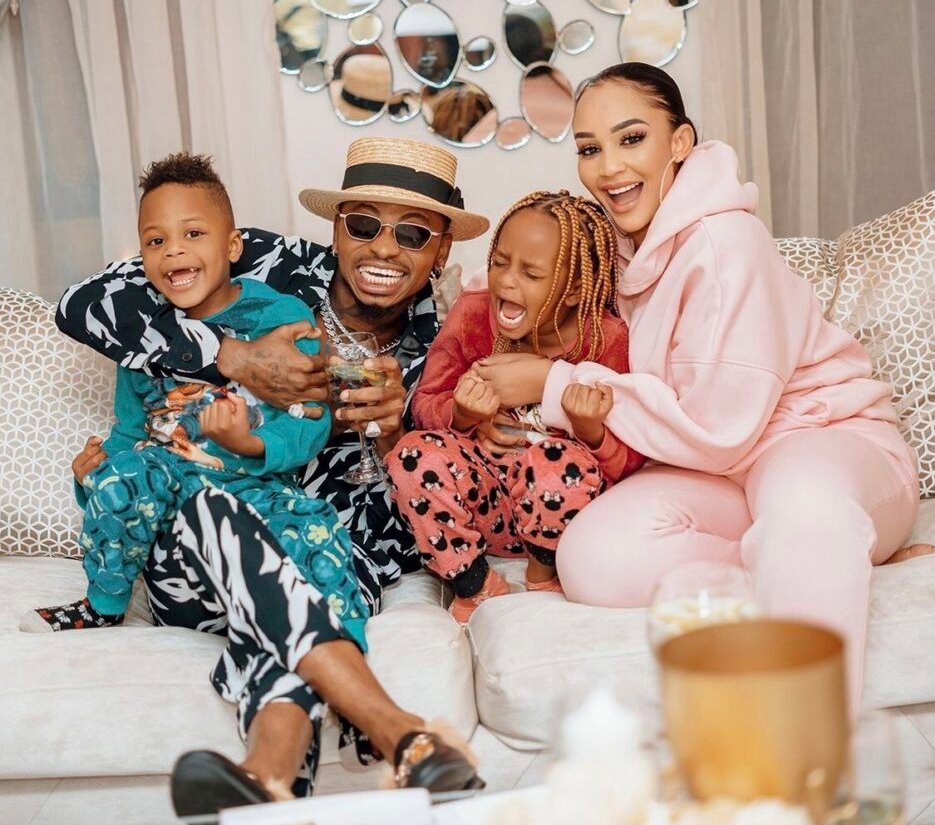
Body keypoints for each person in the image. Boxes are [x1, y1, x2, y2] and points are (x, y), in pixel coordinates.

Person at [53, 137, 490, 814]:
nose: (382, 248)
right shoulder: (269, 267)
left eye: (411, 233)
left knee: (295, 592)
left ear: (441, 250)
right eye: (363, 224)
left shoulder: (450, 342)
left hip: (329, 551)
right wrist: (230, 355)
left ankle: (265, 777)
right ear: (336, 227)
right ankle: (399, 732)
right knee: (212, 506)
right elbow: (82, 304)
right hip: (195, 551)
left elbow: (451, 499)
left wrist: (394, 435)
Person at [470, 63, 919, 701]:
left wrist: (553, 382)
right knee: (592, 556)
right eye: (590, 149)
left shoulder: (725, 242)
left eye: (631, 139)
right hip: (719, 472)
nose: (609, 168)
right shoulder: (618, 246)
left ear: (679, 142)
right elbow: (535, 286)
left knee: (803, 508)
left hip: (819, 438)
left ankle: (808, 730)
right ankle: (820, 560)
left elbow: (719, 428)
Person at [21, 154, 366, 644]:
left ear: (232, 245)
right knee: (124, 476)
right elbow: (130, 432)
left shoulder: (280, 316)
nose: (174, 250)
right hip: (170, 493)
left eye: (194, 233)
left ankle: (340, 646)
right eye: (156, 241)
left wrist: (249, 443)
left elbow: (311, 421)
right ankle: (102, 606)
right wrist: (94, 477)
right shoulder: (142, 336)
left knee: (315, 529)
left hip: (254, 488)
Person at [387, 191, 645, 622]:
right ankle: (474, 584)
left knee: (557, 459)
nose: (506, 281)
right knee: (411, 454)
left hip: (565, 519)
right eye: (500, 261)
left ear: (573, 289)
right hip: (482, 505)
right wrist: (464, 415)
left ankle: (542, 575)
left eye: (531, 273)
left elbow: (632, 460)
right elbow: (424, 406)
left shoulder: (608, 338)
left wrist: (590, 428)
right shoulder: (472, 314)